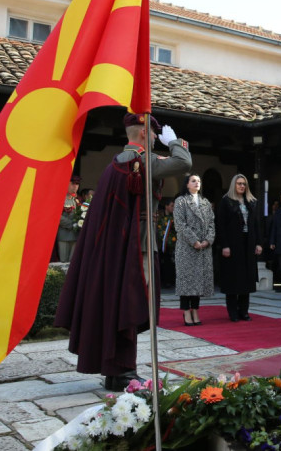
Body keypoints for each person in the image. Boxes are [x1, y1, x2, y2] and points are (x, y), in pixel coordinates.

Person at [55, 113, 192, 391]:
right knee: (130, 308)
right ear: (144, 133)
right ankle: (124, 372)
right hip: (137, 246)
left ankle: (115, 370)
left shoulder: (114, 165)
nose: (156, 139)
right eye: (154, 134)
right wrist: (174, 141)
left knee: (118, 306)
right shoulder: (143, 162)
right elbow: (184, 162)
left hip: (116, 247)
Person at [216, 174, 263, 322]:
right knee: (233, 278)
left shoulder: (251, 202)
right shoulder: (226, 201)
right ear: (233, 185)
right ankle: (233, 312)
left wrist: (259, 243)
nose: (242, 186)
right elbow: (221, 225)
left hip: (248, 243)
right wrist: (224, 245)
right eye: (239, 184)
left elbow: (257, 224)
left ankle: (244, 311)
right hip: (232, 244)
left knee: (247, 278)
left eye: (244, 184)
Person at [173, 174, 215, 326]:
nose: (197, 183)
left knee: (198, 282)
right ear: (187, 184)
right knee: (186, 281)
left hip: (203, 248)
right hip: (187, 248)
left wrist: (207, 240)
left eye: (199, 181)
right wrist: (194, 241)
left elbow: (211, 224)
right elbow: (180, 224)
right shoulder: (181, 201)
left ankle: (195, 310)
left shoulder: (205, 202)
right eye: (193, 181)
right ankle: (186, 312)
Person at [57, 175, 81, 262]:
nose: (75, 186)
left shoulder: (77, 199)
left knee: (72, 262)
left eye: (77, 184)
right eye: (73, 183)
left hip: (75, 234)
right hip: (64, 234)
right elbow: (57, 216)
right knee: (63, 261)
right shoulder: (60, 198)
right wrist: (71, 224)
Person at [157, 197, 177, 288]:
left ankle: (171, 281)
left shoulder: (175, 217)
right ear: (166, 206)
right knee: (163, 263)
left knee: (171, 263)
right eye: (172, 206)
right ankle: (164, 281)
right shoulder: (160, 217)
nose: (173, 208)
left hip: (172, 244)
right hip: (162, 244)